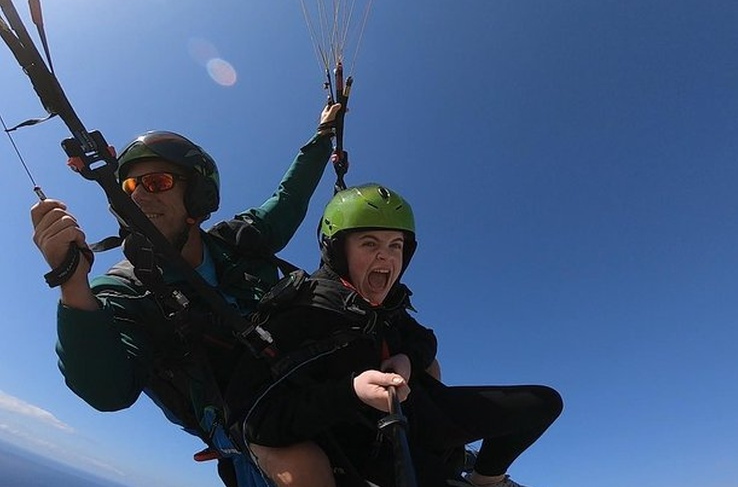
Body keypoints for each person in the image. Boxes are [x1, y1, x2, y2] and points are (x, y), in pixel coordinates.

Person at [30, 104, 343, 487]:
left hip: (309, 377)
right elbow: (106, 390)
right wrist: (72, 283)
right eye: (130, 186)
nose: (140, 196)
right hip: (246, 425)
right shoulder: (125, 290)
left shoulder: (241, 242)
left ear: (198, 199)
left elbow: (291, 194)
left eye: (157, 183)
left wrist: (324, 134)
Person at [225, 183, 563, 487]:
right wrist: (351, 392)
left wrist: (408, 359)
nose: (386, 256)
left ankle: (485, 480)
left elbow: (425, 338)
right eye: (369, 243)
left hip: (421, 414)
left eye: (396, 245)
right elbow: (254, 418)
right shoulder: (305, 312)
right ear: (338, 252)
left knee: (543, 404)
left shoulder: (387, 307)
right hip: (367, 442)